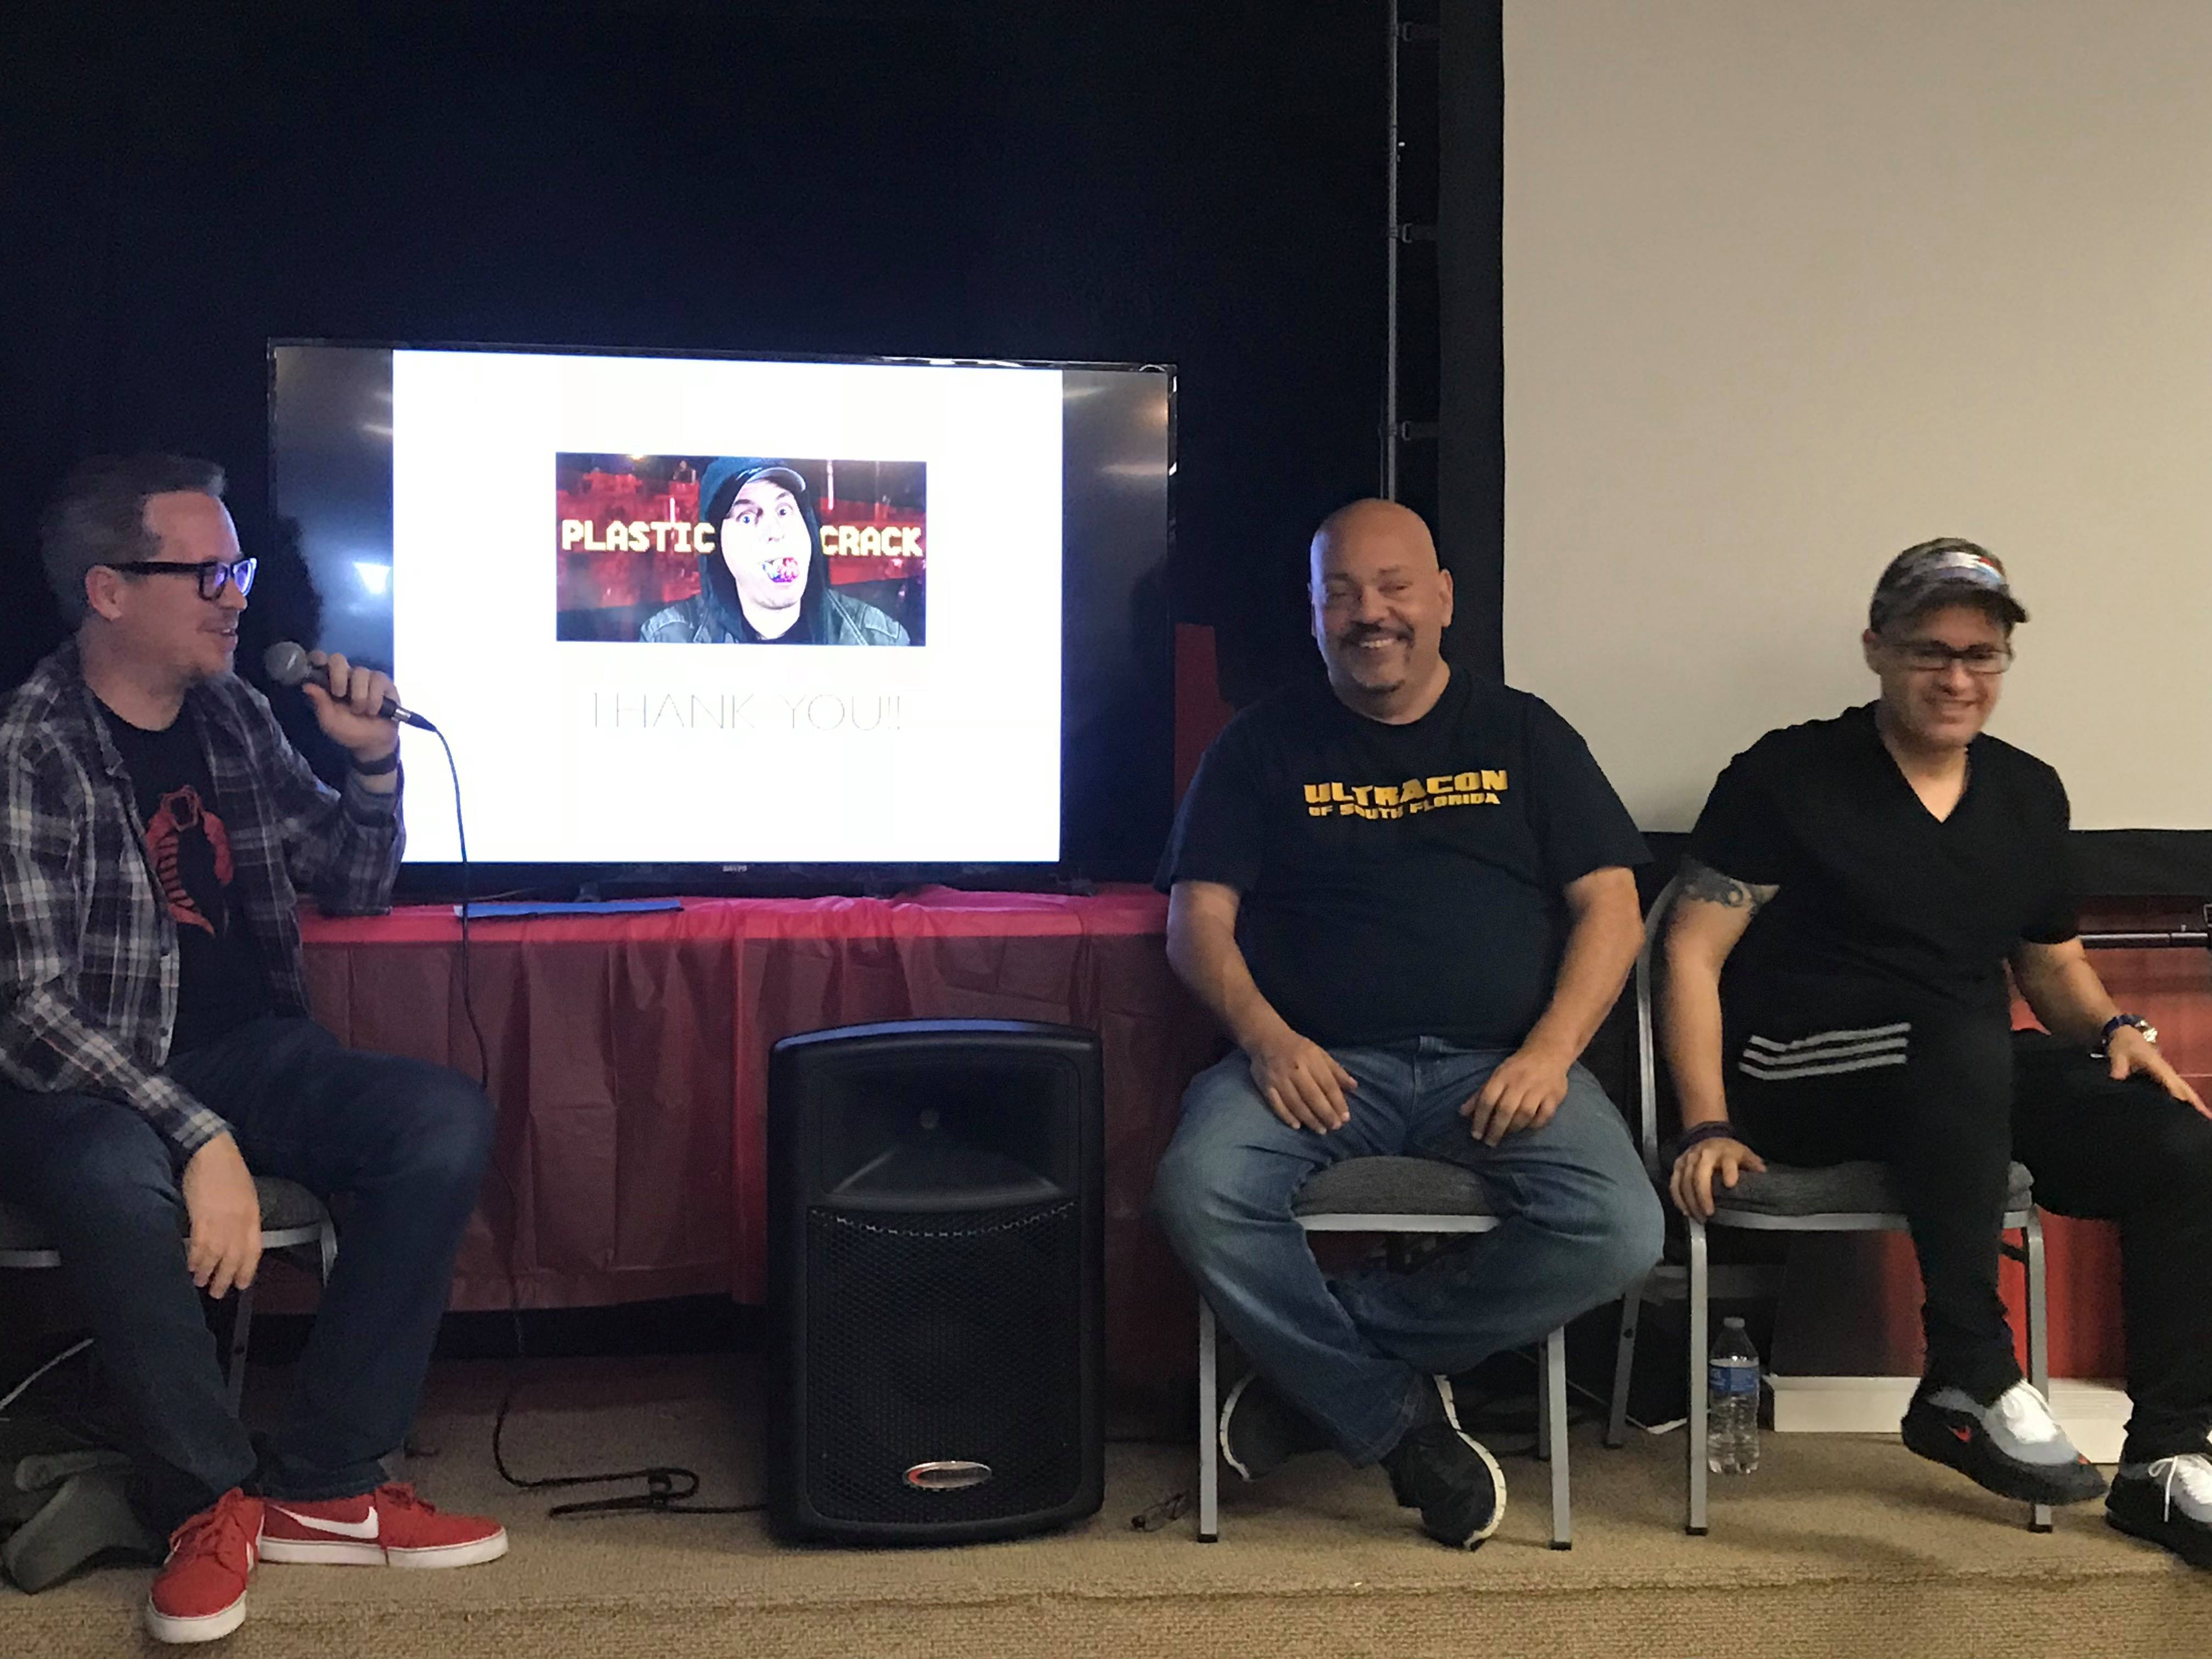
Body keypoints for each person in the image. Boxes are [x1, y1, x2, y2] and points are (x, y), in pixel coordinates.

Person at [0, 455, 507, 1643]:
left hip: (241, 1052)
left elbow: (353, 879)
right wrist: (200, 1138)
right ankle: (207, 1501)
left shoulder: (230, 715)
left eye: (241, 570)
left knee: (439, 1119)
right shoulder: (32, 745)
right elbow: (27, 1004)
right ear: (109, 590)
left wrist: (369, 760)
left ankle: (327, 1480)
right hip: (75, 1076)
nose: (238, 597)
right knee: (116, 1177)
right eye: (208, 574)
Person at [1663, 538, 2212, 1565]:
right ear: (1876, 648)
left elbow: (2050, 965)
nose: (1956, 678)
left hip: (1951, 1075)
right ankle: (1968, 1365)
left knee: (2178, 1144)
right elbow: (1691, 952)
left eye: (1980, 655)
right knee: (1959, 1027)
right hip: (1793, 1071)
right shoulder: (1788, 772)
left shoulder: (2026, 792)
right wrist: (1705, 1120)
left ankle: (2166, 1459)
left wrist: (2115, 1032)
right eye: (1930, 651)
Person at [1150, 499, 1663, 1548]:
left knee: (1619, 1227)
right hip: (1316, 1069)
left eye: (1392, 586)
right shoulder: (1259, 744)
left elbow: (1612, 907)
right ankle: (1393, 1421)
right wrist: (1268, 1038)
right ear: (1312, 612)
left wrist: (1550, 1052)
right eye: (1339, 592)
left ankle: (1316, 1374)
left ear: (1442, 598)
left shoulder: (1525, 732)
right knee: (1199, 1187)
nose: (1368, 612)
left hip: (1499, 1068)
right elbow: (1194, 923)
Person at [638, 456, 911, 646]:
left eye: (784, 511)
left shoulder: (881, 639)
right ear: (718, 545)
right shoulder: (667, 638)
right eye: (747, 517)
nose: (775, 531)